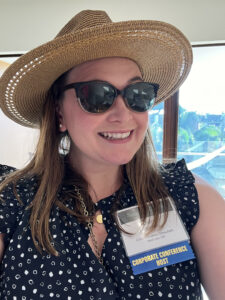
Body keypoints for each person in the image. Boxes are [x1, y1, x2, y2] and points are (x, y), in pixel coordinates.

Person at [0, 10, 224, 300]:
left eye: (137, 94)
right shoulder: (13, 202)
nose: (123, 114)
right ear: (59, 113)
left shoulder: (191, 197)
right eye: (97, 95)